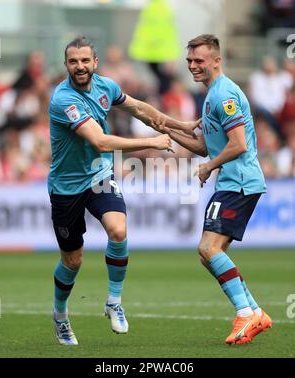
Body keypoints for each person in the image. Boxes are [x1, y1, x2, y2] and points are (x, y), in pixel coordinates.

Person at [48, 36, 197, 345]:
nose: (80, 66)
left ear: (95, 62)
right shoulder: (63, 100)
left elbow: (140, 109)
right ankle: (60, 315)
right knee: (72, 261)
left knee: (118, 230)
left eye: (85, 61)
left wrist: (178, 125)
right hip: (66, 187)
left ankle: (114, 301)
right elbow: (100, 141)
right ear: (66, 65)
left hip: (98, 176)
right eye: (73, 61)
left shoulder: (106, 86)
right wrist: (152, 142)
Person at [156, 34, 272, 345]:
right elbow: (203, 145)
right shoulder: (211, 96)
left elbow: (238, 145)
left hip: (241, 182)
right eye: (190, 61)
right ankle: (255, 311)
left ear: (216, 61)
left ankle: (246, 313)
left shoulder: (225, 95)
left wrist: (208, 167)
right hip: (231, 182)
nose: (193, 66)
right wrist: (167, 130)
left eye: (199, 61)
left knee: (209, 249)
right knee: (208, 256)